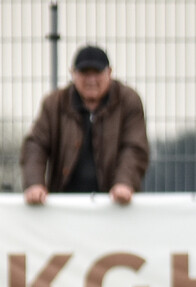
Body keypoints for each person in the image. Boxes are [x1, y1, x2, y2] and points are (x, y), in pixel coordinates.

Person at [20, 44, 150, 205]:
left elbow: (134, 147)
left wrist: (124, 182)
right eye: (84, 73)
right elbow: (35, 145)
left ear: (109, 72)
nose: (91, 80)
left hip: (114, 204)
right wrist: (34, 184)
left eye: (97, 73)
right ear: (72, 73)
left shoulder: (128, 101)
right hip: (65, 202)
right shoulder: (55, 103)